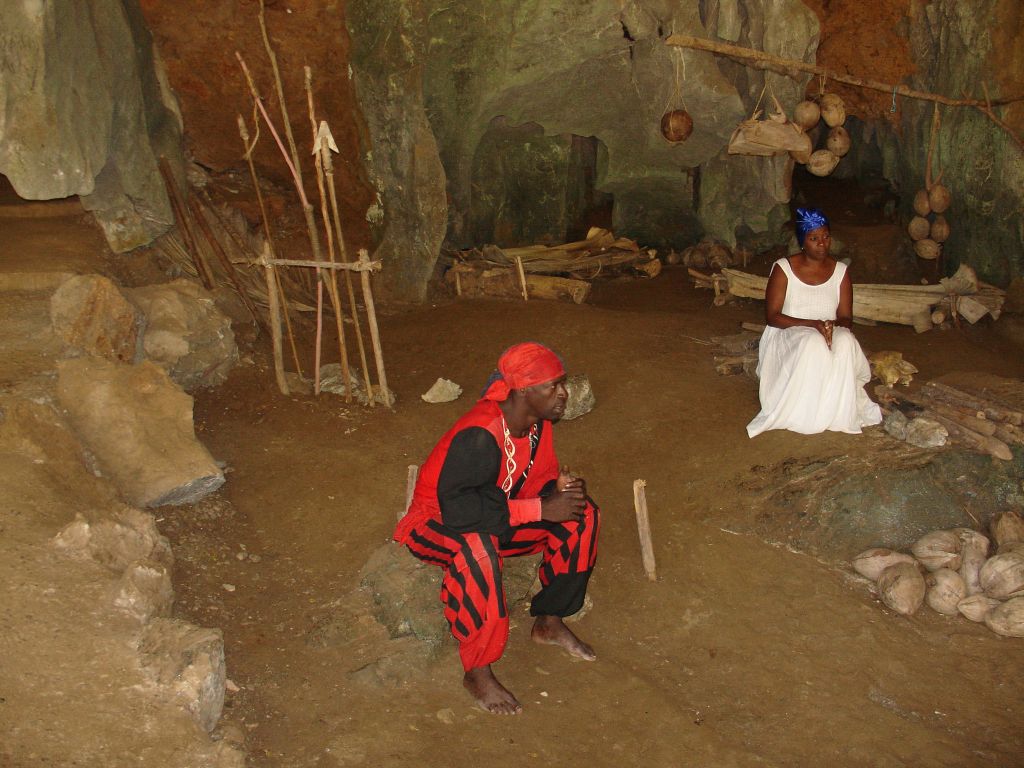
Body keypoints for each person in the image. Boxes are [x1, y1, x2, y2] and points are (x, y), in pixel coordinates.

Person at [394, 342, 599, 715]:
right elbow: (460, 512)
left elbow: (533, 481)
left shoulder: (536, 425)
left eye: (562, 384)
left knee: (581, 514)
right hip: (436, 524)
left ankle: (549, 621)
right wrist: (539, 508)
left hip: (496, 517)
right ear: (523, 390)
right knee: (478, 552)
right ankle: (477, 670)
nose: (564, 393)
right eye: (553, 386)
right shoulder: (479, 435)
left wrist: (557, 491)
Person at [746, 207, 882, 437]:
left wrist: (831, 326)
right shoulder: (783, 269)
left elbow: (846, 318)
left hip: (826, 327)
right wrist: (813, 325)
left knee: (846, 341)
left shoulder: (840, 272)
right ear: (802, 241)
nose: (822, 243)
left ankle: (839, 412)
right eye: (814, 238)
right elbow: (773, 316)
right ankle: (805, 413)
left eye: (826, 237)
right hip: (788, 331)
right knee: (813, 344)